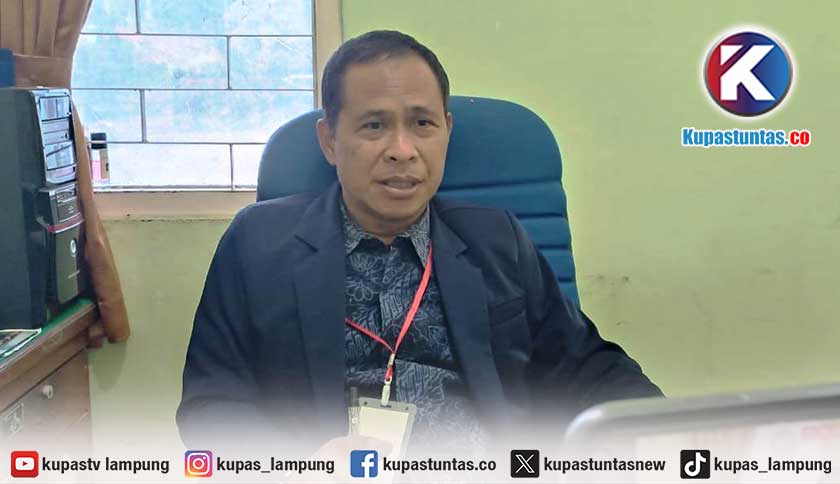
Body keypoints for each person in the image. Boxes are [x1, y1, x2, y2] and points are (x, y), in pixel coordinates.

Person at [176, 30, 662, 457]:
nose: (402, 150)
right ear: (329, 141)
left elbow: (589, 367)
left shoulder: (498, 240)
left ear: (446, 131)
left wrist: (656, 434)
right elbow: (211, 406)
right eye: (374, 125)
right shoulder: (258, 245)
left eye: (422, 123)